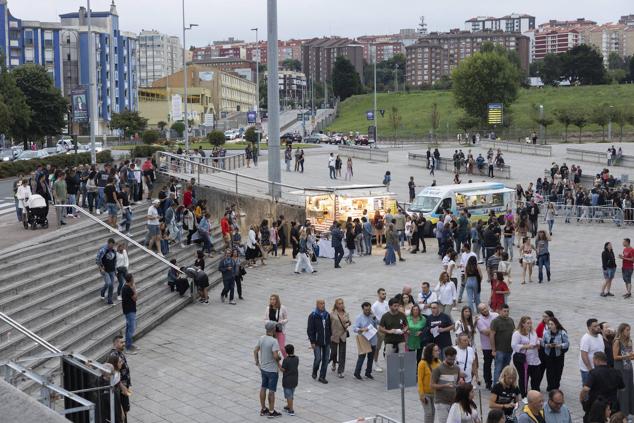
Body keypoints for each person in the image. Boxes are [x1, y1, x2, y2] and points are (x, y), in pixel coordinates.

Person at [580, 351, 624, 419]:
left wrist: (581, 398)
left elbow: (586, 389)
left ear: (597, 360)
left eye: (593, 360)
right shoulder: (616, 372)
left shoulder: (594, 373)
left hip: (597, 406)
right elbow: (622, 387)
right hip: (613, 405)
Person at [254, 321, 282, 418]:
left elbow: (255, 350)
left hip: (263, 368)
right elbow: (275, 356)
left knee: (263, 387)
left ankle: (263, 408)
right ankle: (271, 411)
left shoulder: (261, 338)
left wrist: (257, 361)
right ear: (273, 329)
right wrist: (279, 358)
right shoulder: (274, 341)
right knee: (271, 391)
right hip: (272, 370)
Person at [511, 316, 541, 397]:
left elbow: (536, 340)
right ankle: (524, 395)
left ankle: (535, 393)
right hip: (523, 359)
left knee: (536, 377)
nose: (530, 325)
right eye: (528, 323)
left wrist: (538, 344)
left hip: (534, 358)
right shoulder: (517, 333)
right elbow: (514, 346)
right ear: (523, 324)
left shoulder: (533, 332)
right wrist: (526, 346)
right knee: (524, 377)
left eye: (530, 323)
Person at [431, 346, 462, 422]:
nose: (452, 361)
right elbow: (432, 385)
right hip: (441, 402)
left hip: (453, 401)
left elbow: (457, 383)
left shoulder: (457, 368)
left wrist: (460, 383)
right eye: (449, 359)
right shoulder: (438, 369)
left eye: (453, 359)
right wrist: (444, 385)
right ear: (445, 356)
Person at [307, 299, 331, 384]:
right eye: (321, 303)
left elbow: (329, 327)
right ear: (317, 304)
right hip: (317, 341)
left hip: (327, 341)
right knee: (318, 358)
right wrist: (312, 341)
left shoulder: (327, 315)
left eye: (324, 303)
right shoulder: (313, 315)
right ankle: (315, 370)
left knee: (326, 359)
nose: (323, 305)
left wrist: (330, 337)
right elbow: (310, 330)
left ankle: (322, 376)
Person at [542, 317, 569, 392]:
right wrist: (547, 345)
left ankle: (556, 386)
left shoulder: (562, 333)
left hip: (559, 355)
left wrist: (559, 345)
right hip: (549, 354)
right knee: (549, 372)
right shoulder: (546, 333)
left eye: (552, 324)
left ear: (556, 324)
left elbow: (567, 344)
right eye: (549, 324)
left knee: (558, 372)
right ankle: (550, 386)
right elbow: (542, 343)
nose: (550, 326)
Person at [612, 323, 634, 416]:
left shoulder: (629, 341)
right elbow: (615, 357)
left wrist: (631, 356)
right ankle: (622, 412)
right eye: (627, 330)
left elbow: (630, 356)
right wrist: (627, 356)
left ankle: (630, 410)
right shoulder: (617, 341)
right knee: (623, 390)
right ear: (622, 331)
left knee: (630, 388)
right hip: (620, 368)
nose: (629, 332)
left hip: (628, 368)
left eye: (629, 330)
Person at [352, 302, 378, 380]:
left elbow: (378, 323)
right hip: (364, 339)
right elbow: (354, 329)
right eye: (366, 310)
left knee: (370, 358)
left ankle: (368, 372)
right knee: (361, 357)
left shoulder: (372, 316)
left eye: (369, 309)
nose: (368, 311)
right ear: (363, 309)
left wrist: (374, 318)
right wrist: (362, 329)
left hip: (372, 339)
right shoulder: (359, 317)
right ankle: (357, 373)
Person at [491, 304, 516, 383]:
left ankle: (504, 384)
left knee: (506, 369)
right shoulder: (495, 321)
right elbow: (492, 335)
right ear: (500, 311)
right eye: (504, 311)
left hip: (509, 350)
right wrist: (493, 350)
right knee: (498, 369)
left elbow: (514, 332)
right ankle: (495, 385)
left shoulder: (511, 320)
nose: (506, 313)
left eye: (507, 311)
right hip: (499, 350)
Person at [477, 303, 499, 390]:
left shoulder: (495, 315)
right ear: (480, 311)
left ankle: (498, 381)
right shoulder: (479, 319)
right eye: (482, 309)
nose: (485, 310)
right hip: (486, 346)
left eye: (485, 308)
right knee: (487, 365)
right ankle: (488, 382)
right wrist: (495, 329)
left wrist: (492, 330)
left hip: (498, 345)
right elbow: (485, 332)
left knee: (499, 364)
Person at [109, 336, 132, 419]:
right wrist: (122, 386)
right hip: (120, 387)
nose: (124, 344)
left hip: (124, 386)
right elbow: (113, 373)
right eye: (121, 342)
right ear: (115, 343)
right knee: (123, 409)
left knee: (126, 408)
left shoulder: (120, 352)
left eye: (124, 342)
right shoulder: (114, 355)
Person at [418, 343, 441, 422]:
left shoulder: (438, 362)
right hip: (426, 393)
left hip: (435, 393)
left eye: (438, 350)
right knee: (428, 413)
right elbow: (420, 380)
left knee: (433, 412)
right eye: (436, 351)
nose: (438, 352)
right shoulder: (422, 363)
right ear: (430, 352)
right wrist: (421, 394)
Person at [580, 318, 606, 386]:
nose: (598, 327)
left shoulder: (600, 336)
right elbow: (584, 355)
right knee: (588, 390)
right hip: (588, 371)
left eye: (598, 325)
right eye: (595, 326)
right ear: (589, 328)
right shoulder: (586, 339)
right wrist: (590, 370)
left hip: (599, 369)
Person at [329, 298, 351, 378]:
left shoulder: (346, 313)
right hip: (334, 336)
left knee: (342, 354)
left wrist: (348, 324)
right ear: (336, 305)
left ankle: (341, 370)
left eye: (342, 303)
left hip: (343, 335)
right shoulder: (332, 314)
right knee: (334, 352)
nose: (341, 305)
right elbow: (329, 325)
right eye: (339, 303)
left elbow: (348, 322)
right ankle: (334, 362)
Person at [96, 238, 117, 305]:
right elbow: (97, 260)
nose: (112, 246)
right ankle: (106, 296)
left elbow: (114, 261)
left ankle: (106, 296)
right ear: (108, 243)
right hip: (105, 270)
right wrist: (101, 268)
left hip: (112, 270)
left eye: (113, 245)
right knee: (109, 284)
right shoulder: (103, 250)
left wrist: (115, 270)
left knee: (110, 285)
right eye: (111, 245)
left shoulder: (113, 250)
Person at [372, 288, 388, 372]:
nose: (384, 295)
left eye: (385, 294)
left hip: (387, 328)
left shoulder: (386, 303)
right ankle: (375, 363)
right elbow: (373, 318)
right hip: (380, 329)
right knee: (377, 347)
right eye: (382, 294)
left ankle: (388, 362)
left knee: (388, 346)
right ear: (378, 294)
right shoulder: (375, 305)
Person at [121, 273, 138, 353]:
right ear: (131, 280)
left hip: (128, 310)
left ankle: (129, 344)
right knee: (131, 328)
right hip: (130, 311)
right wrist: (134, 289)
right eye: (133, 278)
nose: (134, 279)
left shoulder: (125, 287)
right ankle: (127, 347)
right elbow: (135, 298)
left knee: (128, 328)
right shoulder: (128, 288)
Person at [280, 344, 298, 416]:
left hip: (287, 380)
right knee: (291, 393)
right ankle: (288, 406)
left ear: (286, 352)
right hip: (294, 379)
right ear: (293, 350)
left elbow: (283, 369)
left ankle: (291, 410)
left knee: (288, 395)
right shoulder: (297, 358)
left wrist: (278, 364)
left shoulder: (286, 360)